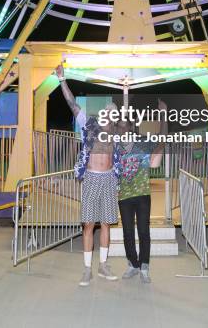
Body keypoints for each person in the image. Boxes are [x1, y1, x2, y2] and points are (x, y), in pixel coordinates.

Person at [56, 64, 121, 287]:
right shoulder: (89, 124)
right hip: (92, 178)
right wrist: (62, 80)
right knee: (88, 225)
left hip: (110, 179)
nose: (111, 115)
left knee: (106, 224)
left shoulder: (117, 133)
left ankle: (103, 265)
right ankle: (87, 270)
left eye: (115, 113)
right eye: (109, 111)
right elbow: (72, 104)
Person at [117, 99, 167, 284]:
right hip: (124, 196)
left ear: (131, 128)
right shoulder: (115, 148)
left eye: (125, 126)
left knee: (143, 231)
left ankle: (144, 266)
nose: (122, 130)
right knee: (128, 232)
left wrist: (163, 115)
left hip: (143, 194)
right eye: (119, 127)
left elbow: (161, 139)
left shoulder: (143, 143)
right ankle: (133, 264)